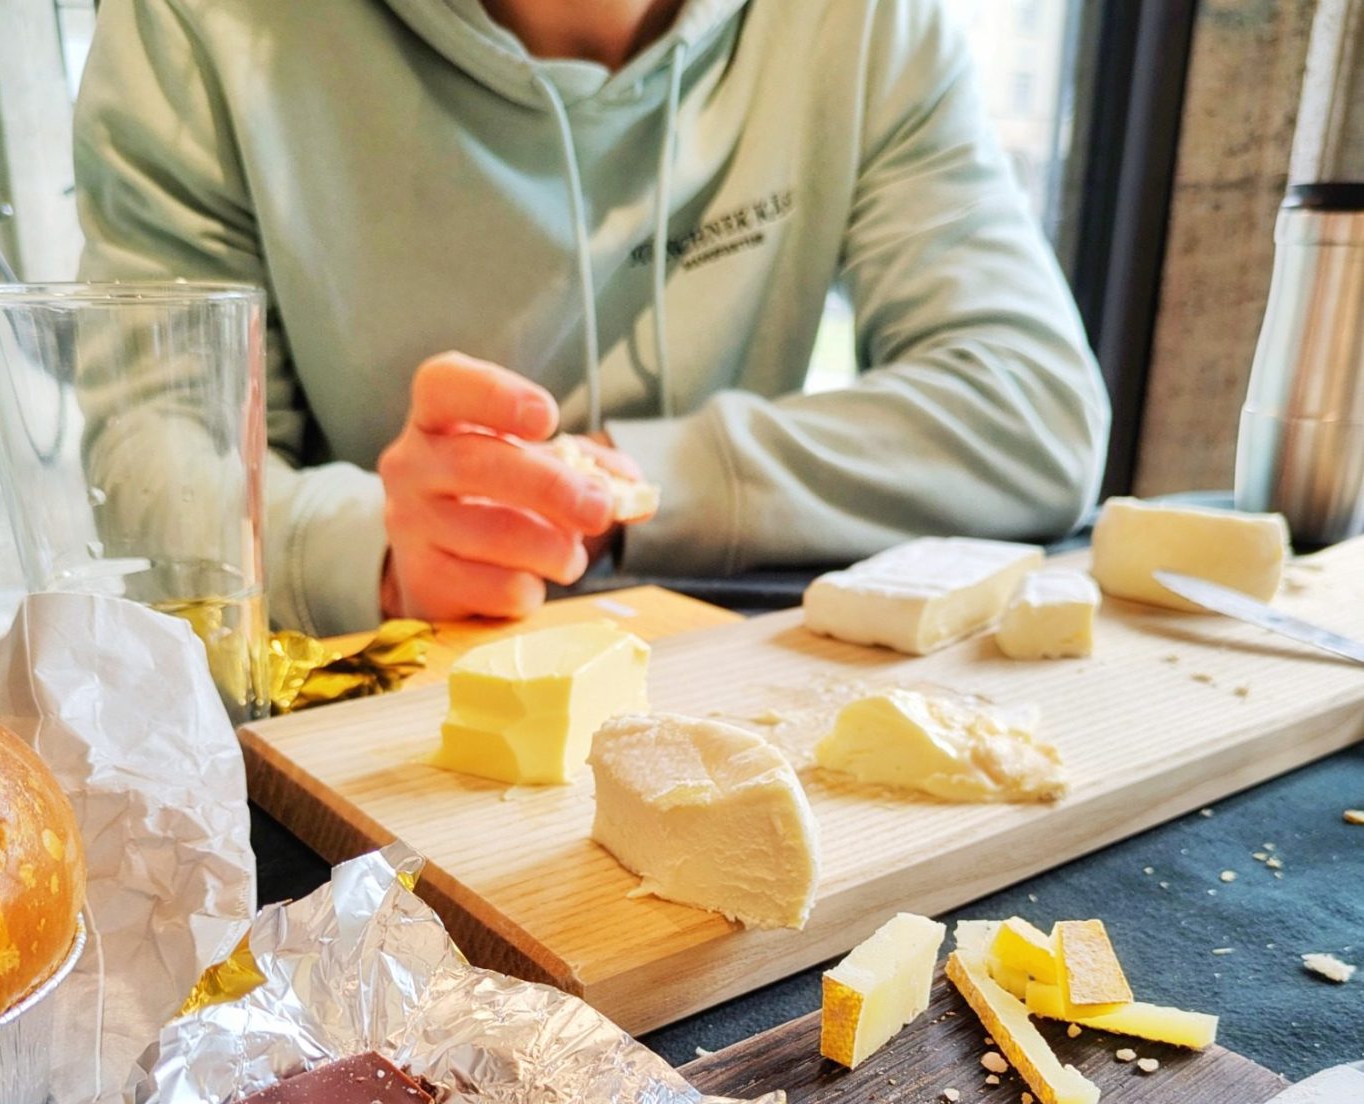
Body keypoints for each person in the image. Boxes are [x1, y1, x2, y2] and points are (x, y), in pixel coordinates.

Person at [73, 0, 1109, 637]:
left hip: (731, 673)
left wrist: (615, 485)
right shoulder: (196, 26)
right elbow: (149, 466)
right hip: (370, 698)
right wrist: (380, 551)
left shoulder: (870, 23)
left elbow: (1034, 407)